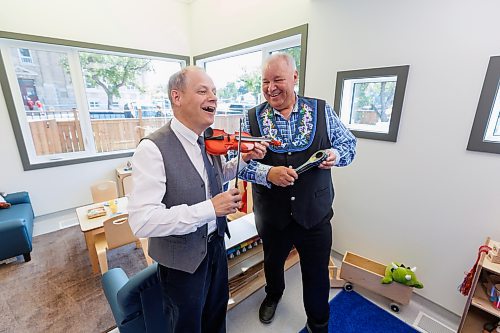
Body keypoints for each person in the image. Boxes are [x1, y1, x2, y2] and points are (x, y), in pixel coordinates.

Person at [128, 66, 267, 333]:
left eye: (214, 92)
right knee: (187, 325)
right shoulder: (152, 149)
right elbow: (142, 221)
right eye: (203, 91)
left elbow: (215, 175)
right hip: (181, 260)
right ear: (177, 97)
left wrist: (243, 159)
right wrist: (209, 208)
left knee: (216, 316)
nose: (213, 98)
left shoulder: (208, 139)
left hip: (215, 246)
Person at [239, 53, 356, 333]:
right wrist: (267, 173)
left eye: (278, 79)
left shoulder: (322, 110)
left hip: (314, 215)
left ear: (295, 77)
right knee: (273, 261)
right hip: (272, 215)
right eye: (265, 82)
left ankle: (318, 324)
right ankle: (274, 294)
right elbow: (238, 169)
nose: (270, 88)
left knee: (316, 276)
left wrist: (334, 154)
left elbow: (349, 146)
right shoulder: (251, 117)